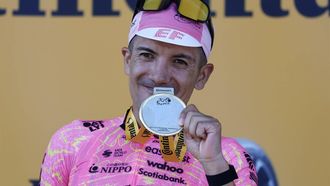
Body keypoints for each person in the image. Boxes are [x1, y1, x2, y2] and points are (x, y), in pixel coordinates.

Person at [40, 0, 258, 185]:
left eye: (179, 61)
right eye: (147, 55)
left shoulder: (227, 156)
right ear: (128, 60)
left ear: (202, 75)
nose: (159, 75)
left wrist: (213, 166)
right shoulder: (73, 140)